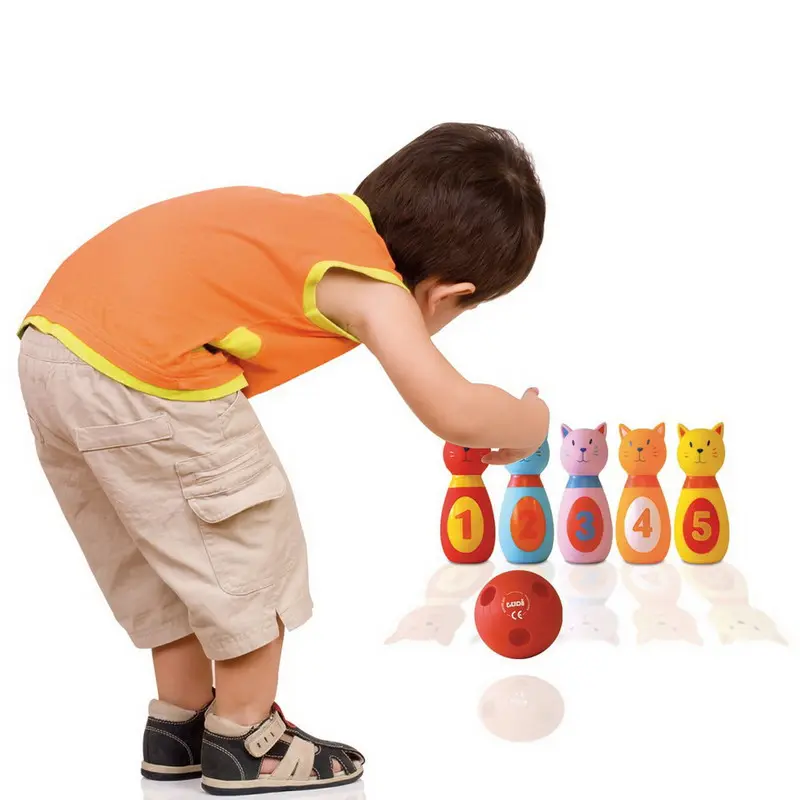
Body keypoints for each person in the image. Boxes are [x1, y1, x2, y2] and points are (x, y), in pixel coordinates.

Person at [17, 122, 549, 794]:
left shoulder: (314, 224)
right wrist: (528, 423)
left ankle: (180, 723)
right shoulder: (375, 283)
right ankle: (246, 735)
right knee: (248, 545)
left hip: (51, 343)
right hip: (146, 368)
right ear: (447, 295)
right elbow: (453, 408)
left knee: (170, 548)